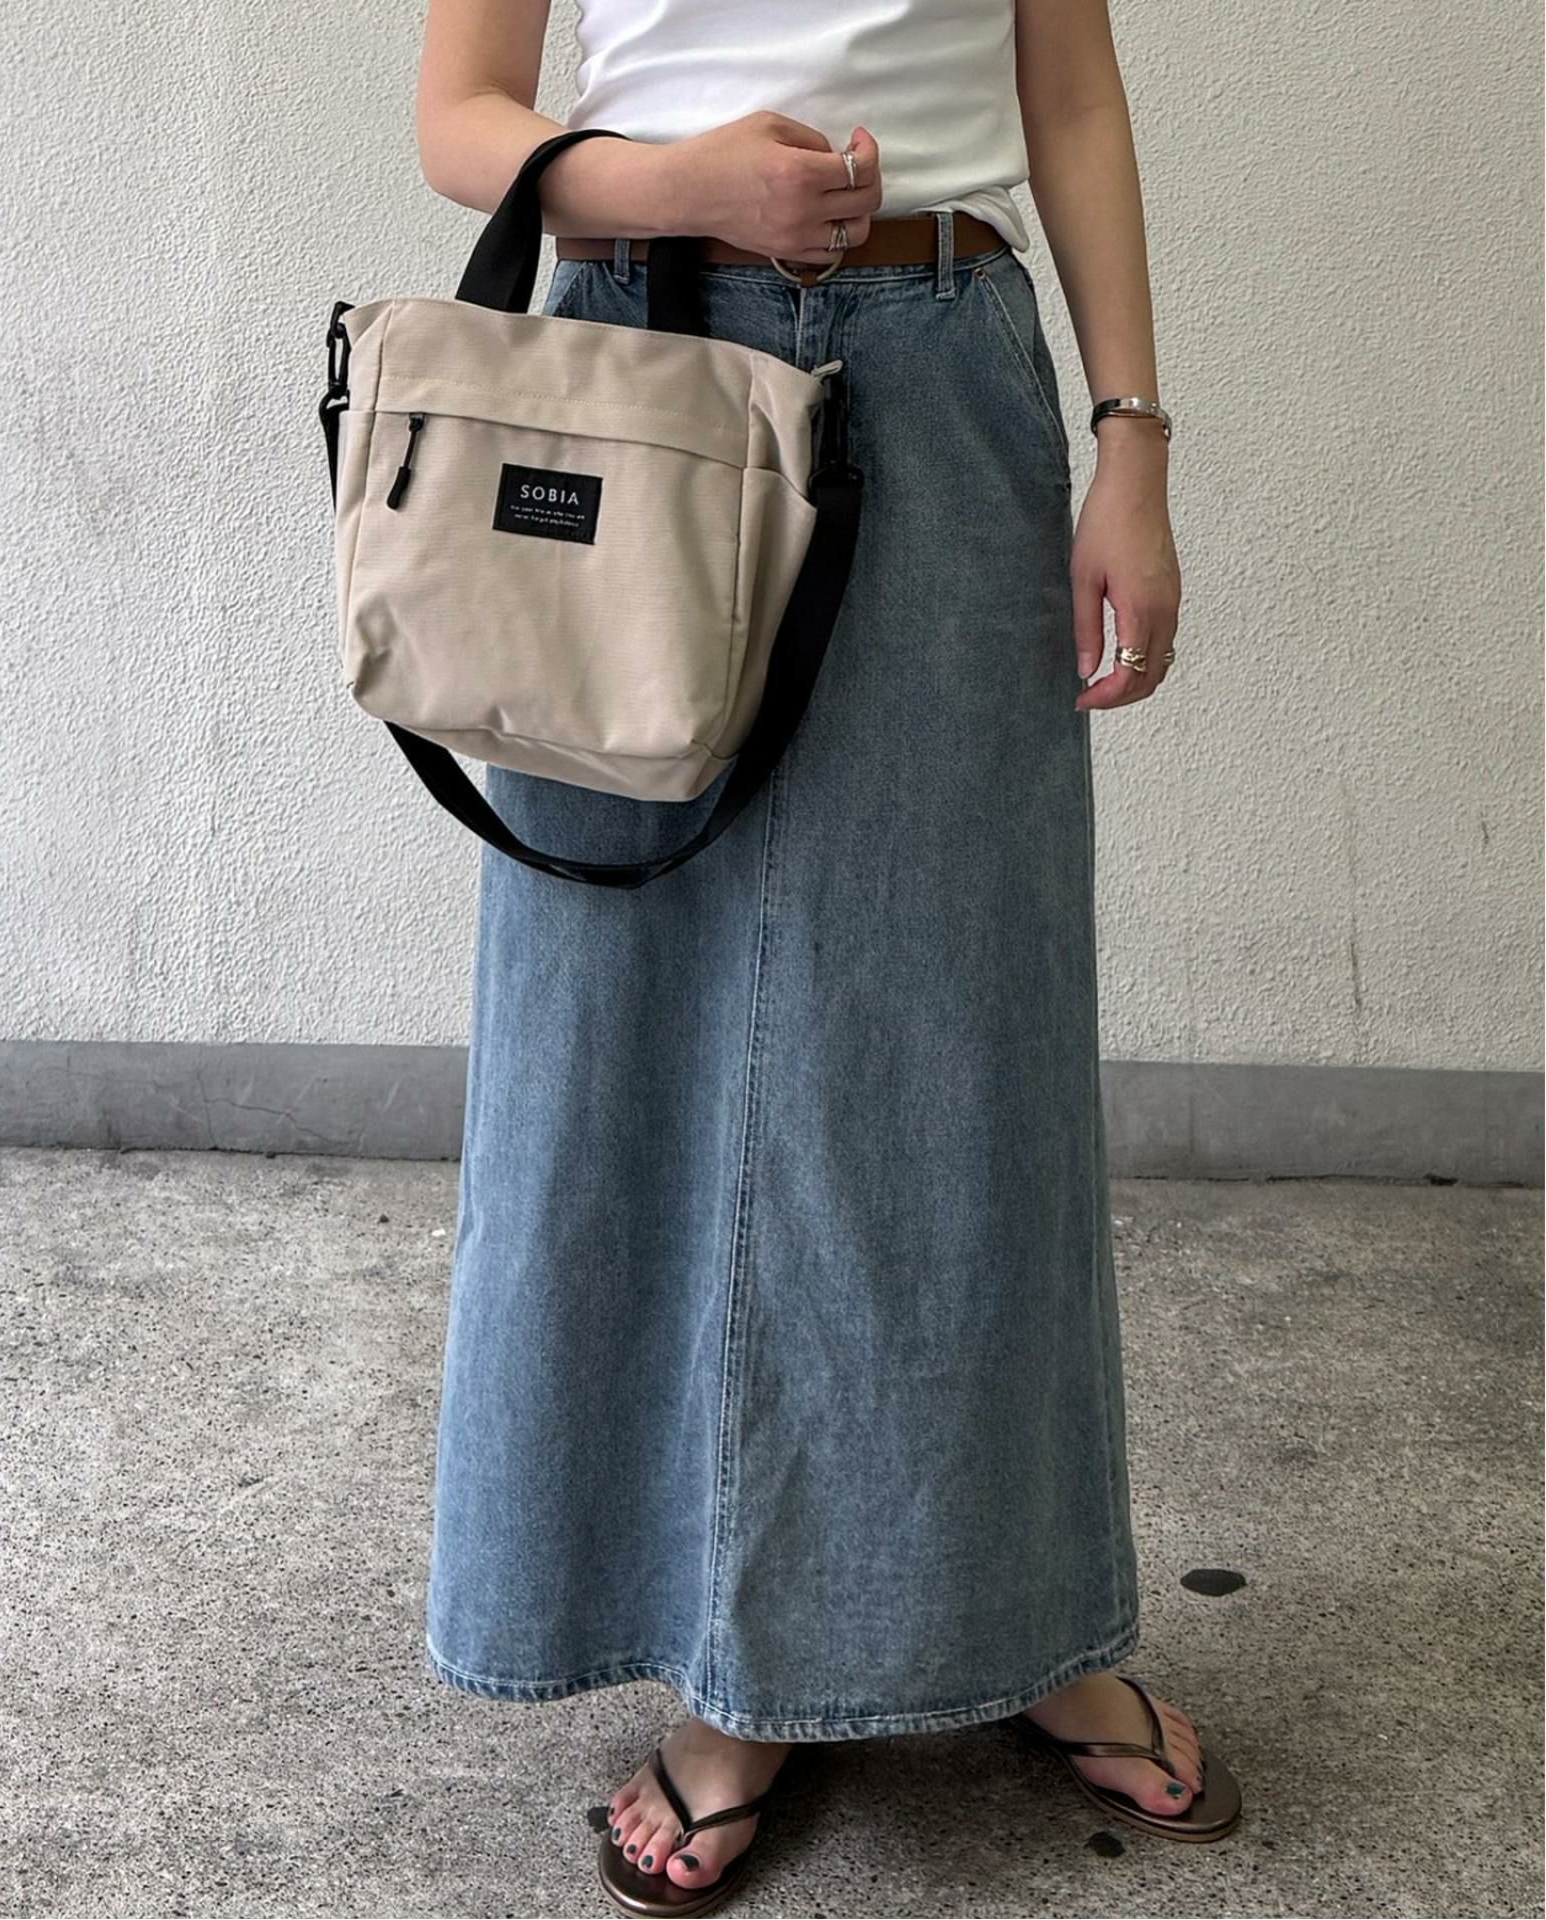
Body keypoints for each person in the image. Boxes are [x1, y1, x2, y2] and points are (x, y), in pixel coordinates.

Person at [414, 0, 1243, 1910]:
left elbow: (1070, 93)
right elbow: (460, 120)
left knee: (967, 1035)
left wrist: (1132, 440)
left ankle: (1025, 1618)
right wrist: (683, 184)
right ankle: (732, 1657)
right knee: (631, 1031)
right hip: (642, 364)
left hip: (944, 370)